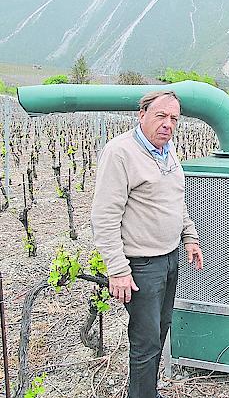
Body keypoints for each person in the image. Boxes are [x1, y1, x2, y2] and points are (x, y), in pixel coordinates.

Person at [91, 90, 203, 398]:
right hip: (141, 265)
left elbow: (176, 201)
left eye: (173, 119)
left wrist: (189, 237)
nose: (168, 124)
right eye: (161, 116)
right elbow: (104, 216)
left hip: (169, 258)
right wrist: (117, 269)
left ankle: (146, 392)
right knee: (145, 341)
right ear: (142, 116)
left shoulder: (167, 151)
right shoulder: (121, 153)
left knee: (161, 329)